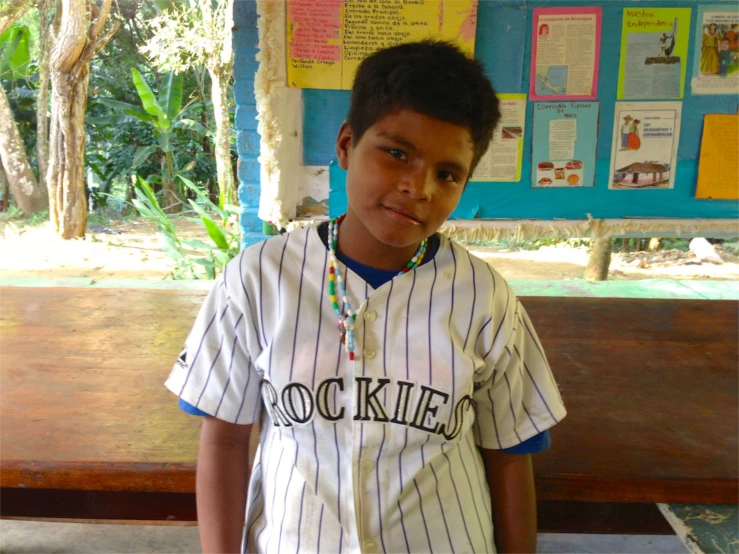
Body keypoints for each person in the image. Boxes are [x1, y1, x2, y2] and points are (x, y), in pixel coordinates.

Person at [166, 40, 567, 554]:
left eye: (447, 174)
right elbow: (223, 438)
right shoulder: (257, 279)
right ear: (346, 144)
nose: (417, 187)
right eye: (396, 153)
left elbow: (512, 452)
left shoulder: (484, 298)